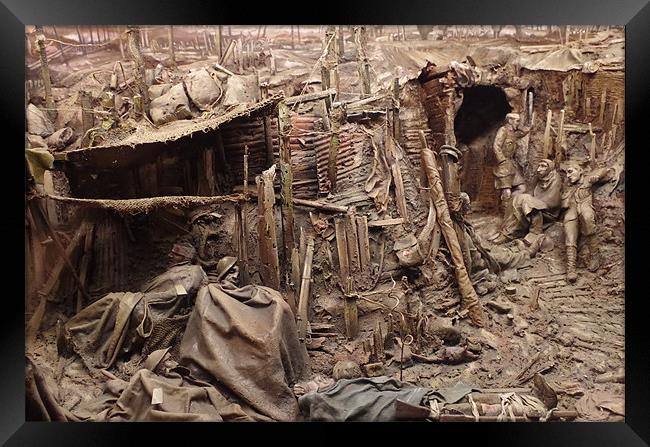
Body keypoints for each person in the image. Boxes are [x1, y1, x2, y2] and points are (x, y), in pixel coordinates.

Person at [561, 161, 615, 282]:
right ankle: (571, 268)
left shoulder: (586, 180)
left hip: (585, 206)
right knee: (569, 228)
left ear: (580, 171)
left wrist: (598, 175)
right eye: (566, 173)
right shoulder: (567, 186)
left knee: (587, 218)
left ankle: (594, 255)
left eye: (570, 171)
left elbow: (606, 170)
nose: (568, 175)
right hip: (572, 210)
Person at [492, 159, 562, 244]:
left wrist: (531, 201)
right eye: (539, 166)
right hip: (534, 205)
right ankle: (506, 230)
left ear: (549, 168)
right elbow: (530, 191)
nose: (539, 169)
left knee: (526, 200)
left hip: (548, 211)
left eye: (543, 166)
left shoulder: (555, 178)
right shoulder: (538, 177)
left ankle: (533, 232)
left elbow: (553, 201)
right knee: (517, 198)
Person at [491, 112, 531, 228]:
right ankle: (505, 218)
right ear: (510, 120)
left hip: (511, 165)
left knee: (522, 187)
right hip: (504, 165)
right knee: (506, 192)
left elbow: (524, 132)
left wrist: (522, 126)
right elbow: (496, 146)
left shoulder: (513, 132)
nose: (518, 123)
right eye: (517, 121)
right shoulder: (503, 130)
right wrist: (501, 160)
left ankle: (511, 207)